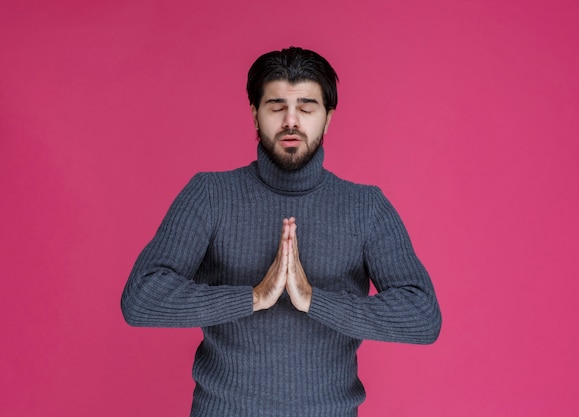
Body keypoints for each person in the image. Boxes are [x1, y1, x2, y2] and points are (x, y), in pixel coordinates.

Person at [121, 46, 441, 417]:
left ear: (328, 118)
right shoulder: (209, 194)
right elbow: (140, 299)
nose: (292, 121)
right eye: (276, 107)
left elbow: (422, 317)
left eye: (306, 108)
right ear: (255, 115)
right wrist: (254, 297)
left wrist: (312, 300)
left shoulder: (365, 206)